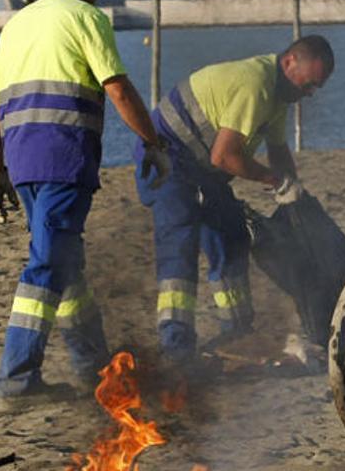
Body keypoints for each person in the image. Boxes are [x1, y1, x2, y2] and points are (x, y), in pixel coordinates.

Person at [0, 0, 171, 410]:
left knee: (67, 263)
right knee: (46, 265)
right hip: (64, 160)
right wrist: (154, 144)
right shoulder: (86, 17)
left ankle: (94, 367)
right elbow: (118, 88)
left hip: (23, 162)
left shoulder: (18, 23)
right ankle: (16, 380)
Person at [133, 35, 334, 374]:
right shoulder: (255, 84)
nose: (310, 93)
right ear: (289, 62)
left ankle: (237, 332)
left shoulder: (279, 95)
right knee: (180, 247)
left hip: (202, 168)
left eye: (316, 88)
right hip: (167, 158)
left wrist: (294, 188)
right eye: (309, 84)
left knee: (231, 236)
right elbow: (225, 155)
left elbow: (278, 149)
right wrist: (273, 180)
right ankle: (176, 349)